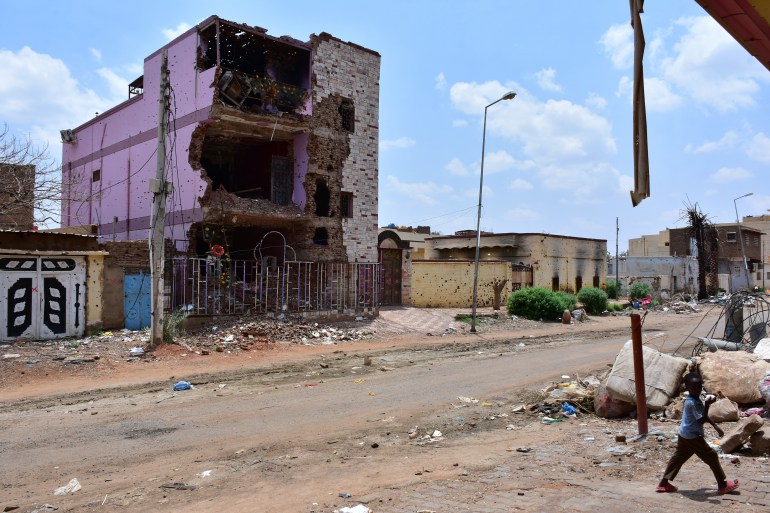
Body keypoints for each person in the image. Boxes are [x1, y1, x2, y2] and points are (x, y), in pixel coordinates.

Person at [656, 372, 739, 495]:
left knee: (678, 458)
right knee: (711, 456)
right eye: (694, 387)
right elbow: (701, 419)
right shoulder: (691, 402)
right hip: (692, 436)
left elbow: (702, 416)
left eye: (699, 387)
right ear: (687, 388)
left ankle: (663, 484)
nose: (697, 390)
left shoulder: (695, 399)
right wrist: (707, 405)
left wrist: (715, 426)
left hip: (684, 434)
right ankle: (722, 485)